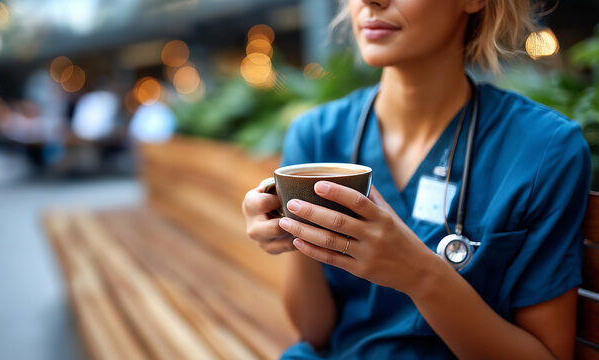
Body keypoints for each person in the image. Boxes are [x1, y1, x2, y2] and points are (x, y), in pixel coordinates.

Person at [242, 0, 591, 359]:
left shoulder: (543, 149)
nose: (369, 2)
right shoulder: (317, 135)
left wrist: (420, 276)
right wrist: (296, 230)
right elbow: (314, 332)